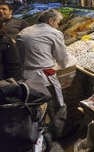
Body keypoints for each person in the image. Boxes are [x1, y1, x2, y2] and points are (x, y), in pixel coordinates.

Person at [16, 9, 69, 138]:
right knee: (56, 105)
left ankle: (37, 133)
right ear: (50, 20)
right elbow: (62, 59)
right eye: (57, 23)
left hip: (25, 76)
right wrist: (63, 64)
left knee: (33, 107)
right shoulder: (54, 33)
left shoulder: (23, 32)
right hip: (45, 75)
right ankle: (60, 132)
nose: (57, 26)